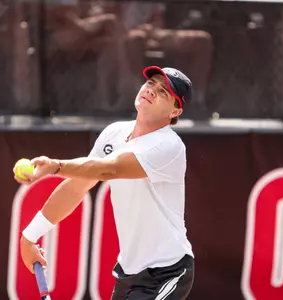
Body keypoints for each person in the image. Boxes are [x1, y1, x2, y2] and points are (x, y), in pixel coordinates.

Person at [14, 65, 195, 299]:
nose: (151, 90)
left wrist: (55, 166)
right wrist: (30, 236)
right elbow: (76, 186)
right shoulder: (114, 133)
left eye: (163, 92)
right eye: (151, 83)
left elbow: (110, 169)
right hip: (128, 274)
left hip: (167, 273)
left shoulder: (169, 146)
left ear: (175, 111)